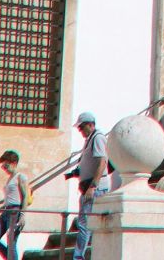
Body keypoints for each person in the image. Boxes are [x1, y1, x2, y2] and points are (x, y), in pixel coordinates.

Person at [64, 111, 118, 260]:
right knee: (87, 223)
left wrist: (93, 185)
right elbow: (89, 163)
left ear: (90, 125)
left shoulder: (98, 138)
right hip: (89, 187)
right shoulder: (90, 139)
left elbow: (102, 162)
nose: (80, 130)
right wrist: (74, 174)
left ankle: (79, 257)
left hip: (95, 188)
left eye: (81, 127)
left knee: (85, 223)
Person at [0, 151, 27, 260]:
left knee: (11, 243)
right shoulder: (10, 179)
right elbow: (12, 195)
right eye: (3, 166)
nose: (4, 168)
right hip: (6, 211)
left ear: (14, 163)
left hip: (15, 211)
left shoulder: (20, 177)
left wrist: (22, 215)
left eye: (6, 165)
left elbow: (25, 196)